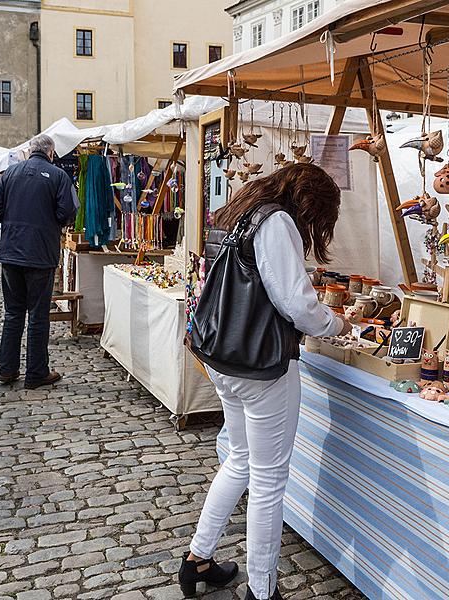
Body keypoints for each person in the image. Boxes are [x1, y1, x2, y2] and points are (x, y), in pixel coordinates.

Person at [179, 163, 351, 600]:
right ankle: (262, 588)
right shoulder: (277, 221)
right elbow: (296, 303)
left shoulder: (249, 212)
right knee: (269, 479)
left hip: (227, 358)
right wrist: (336, 324)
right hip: (260, 367)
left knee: (239, 460)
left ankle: (197, 560)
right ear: (310, 203)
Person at [0, 134, 77, 389]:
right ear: (51, 153)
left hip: (12, 251)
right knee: (38, 315)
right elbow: (68, 212)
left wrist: (14, 218)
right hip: (40, 253)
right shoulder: (58, 175)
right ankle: (36, 373)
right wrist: (49, 221)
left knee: (13, 313)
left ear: (29, 151)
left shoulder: (11, 173)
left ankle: (7, 369)